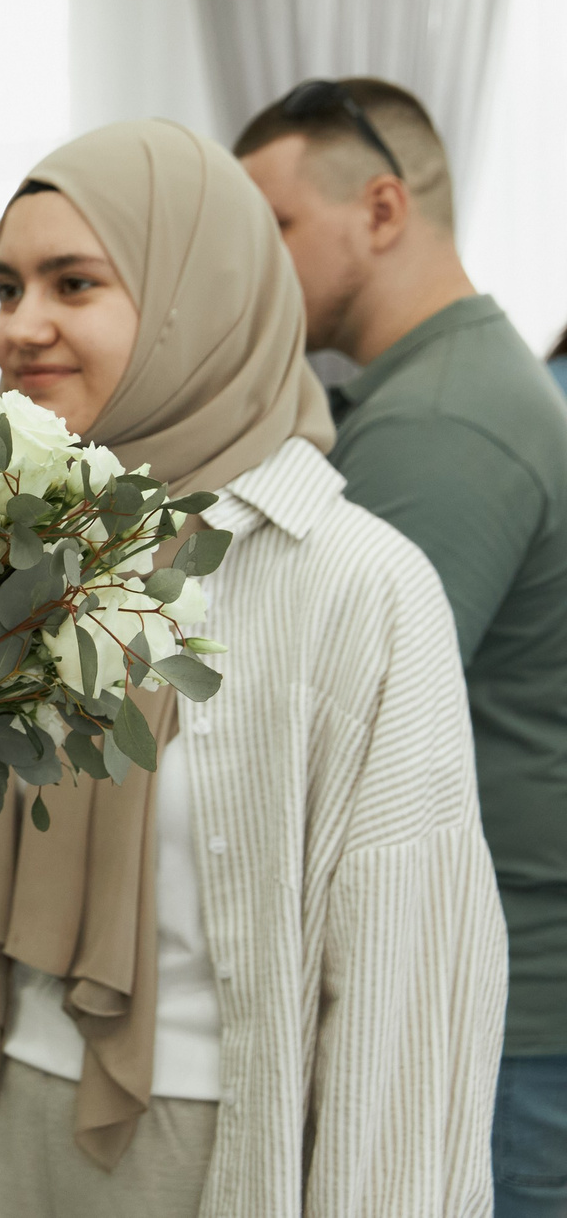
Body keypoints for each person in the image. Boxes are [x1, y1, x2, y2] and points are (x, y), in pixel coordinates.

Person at [0, 119, 506, 1217]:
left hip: (199, 1154)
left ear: (200, 301)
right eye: (8, 287)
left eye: (74, 284)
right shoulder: (10, 545)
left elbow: (405, 984)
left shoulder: (354, 585)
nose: (21, 326)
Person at [234, 77, 567, 1218]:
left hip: (507, 1002)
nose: (252, 266)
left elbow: (335, 721)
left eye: (273, 226)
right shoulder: (446, 385)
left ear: (380, 209)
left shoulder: (439, 421)